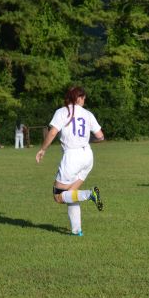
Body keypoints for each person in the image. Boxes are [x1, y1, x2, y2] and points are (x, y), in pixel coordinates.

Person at [35, 86, 105, 236]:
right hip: (87, 156)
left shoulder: (61, 112)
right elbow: (100, 137)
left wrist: (43, 149)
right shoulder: (87, 114)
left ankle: (90, 194)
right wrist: (84, 140)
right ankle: (76, 230)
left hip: (72, 157)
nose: (84, 100)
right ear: (78, 98)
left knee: (58, 196)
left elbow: (53, 132)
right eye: (84, 98)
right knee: (72, 193)